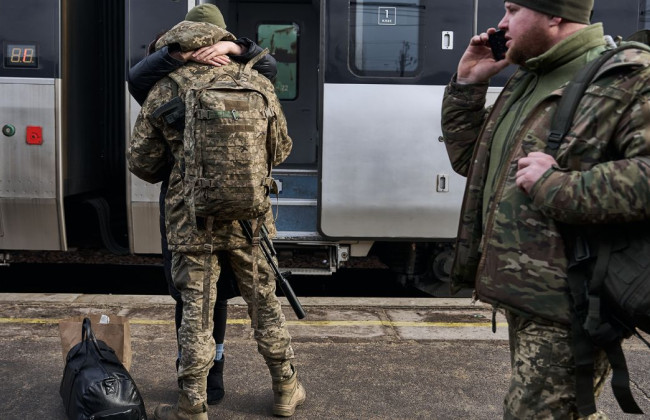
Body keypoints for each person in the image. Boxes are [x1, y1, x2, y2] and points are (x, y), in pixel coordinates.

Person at [441, 0, 650, 418]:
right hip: (527, 295)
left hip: (574, 301)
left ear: (555, 15)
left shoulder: (628, 76)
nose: (501, 23)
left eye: (513, 9)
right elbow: (474, 164)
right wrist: (467, 86)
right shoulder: (529, 76)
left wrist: (553, 186)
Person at [128, 8, 306, 420]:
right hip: (250, 220)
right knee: (264, 303)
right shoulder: (257, 81)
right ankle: (285, 388)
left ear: (181, 40)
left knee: (197, 310)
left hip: (191, 220)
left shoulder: (165, 88)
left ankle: (193, 402)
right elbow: (280, 149)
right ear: (219, 37)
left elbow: (141, 162)